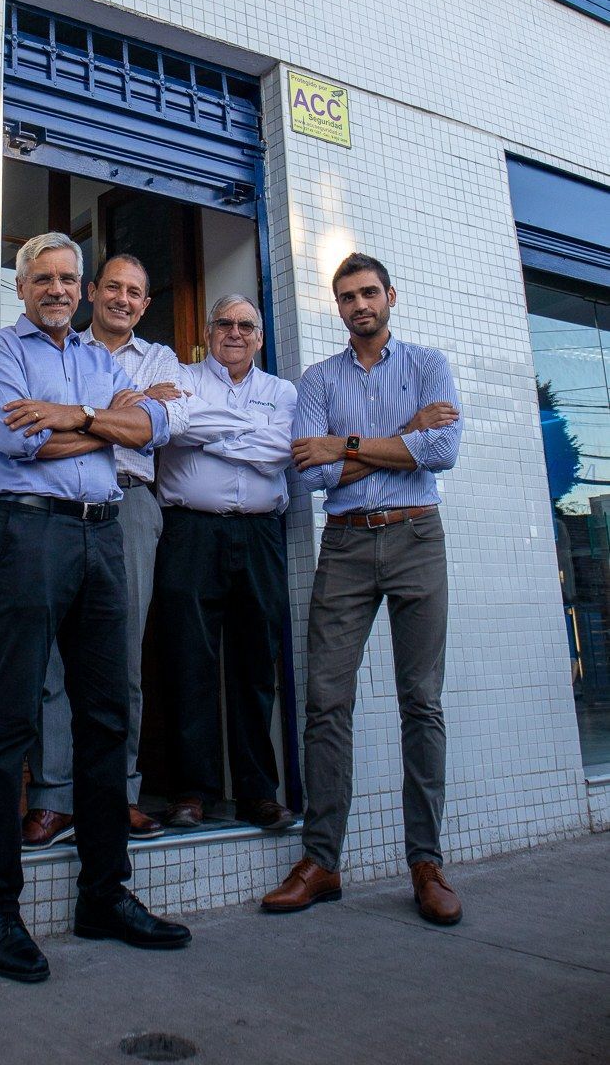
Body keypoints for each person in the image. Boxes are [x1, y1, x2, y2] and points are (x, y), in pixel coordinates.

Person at [0, 231, 191, 982]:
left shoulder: (99, 359)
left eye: (70, 279)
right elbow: (14, 437)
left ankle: (104, 894)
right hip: (28, 532)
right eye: (46, 278)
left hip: (100, 539)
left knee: (106, 719)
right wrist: (101, 425)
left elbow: (150, 432)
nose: (59, 289)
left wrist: (71, 418)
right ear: (24, 285)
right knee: (12, 718)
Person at [261, 252, 464, 926]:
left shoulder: (428, 364)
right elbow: (308, 475)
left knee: (421, 702)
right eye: (347, 296)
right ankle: (321, 862)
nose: (359, 305)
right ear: (339, 306)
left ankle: (426, 863)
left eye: (369, 292)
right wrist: (401, 437)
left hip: (416, 539)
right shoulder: (318, 378)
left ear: (390, 296)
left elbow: (443, 451)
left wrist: (344, 446)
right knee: (326, 703)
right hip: (345, 546)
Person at [23, 252, 190, 847]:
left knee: (122, 658)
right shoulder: (63, 349)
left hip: (133, 506)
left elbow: (166, 423)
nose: (123, 299)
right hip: (63, 504)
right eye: (113, 288)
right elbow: (35, 432)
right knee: (51, 657)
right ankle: (53, 799)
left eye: (135, 292)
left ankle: (118, 794)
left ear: (146, 304)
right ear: (93, 292)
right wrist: (118, 411)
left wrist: (85, 416)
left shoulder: (163, 360)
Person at [154, 294, 297, 831]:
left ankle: (259, 792)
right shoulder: (180, 375)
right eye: (223, 323)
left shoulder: (282, 391)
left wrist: (216, 433)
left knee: (255, 666)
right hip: (190, 531)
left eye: (245, 325)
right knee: (188, 661)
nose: (234, 333)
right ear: (208, 331)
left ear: (259, 337)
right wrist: (243, 433)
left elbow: (281, 449)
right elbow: (178, 427)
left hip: (260, 535)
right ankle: (192, 790)